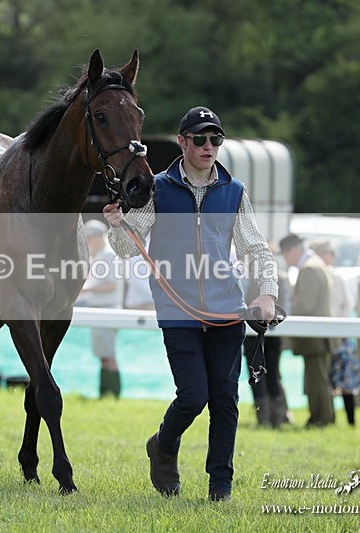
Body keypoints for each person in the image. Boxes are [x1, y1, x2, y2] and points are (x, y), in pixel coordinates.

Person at [103, 106, 278, 502]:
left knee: (225, 401)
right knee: (194, 395)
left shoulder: (235, 191)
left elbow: (255, 247)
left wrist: (267, 292)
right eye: (199, 138)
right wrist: (117, 227)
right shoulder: (158, 188)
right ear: (182, 142)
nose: (208, 146)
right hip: (177, 311)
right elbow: (129, 248)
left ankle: (221, 487)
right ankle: (163, 445)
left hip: (226, 312)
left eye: (215, 138)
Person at [279, 233, 335, 428]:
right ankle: (322, 416)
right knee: (317, 378)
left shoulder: (309, 268)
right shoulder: (315, 263)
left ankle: (321, 419)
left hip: (315, 335)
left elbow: (305, 305)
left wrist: (286, 307)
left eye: (286, 255)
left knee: (316, 380)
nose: (287, 260)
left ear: (292, 251)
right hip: (319, 333)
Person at [310, 240, 360, 426]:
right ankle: (333, 418)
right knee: (331, 379)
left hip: (340, 335)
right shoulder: (325, 275)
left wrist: (341, 331)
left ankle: (350, 421)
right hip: (333, 334)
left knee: (343, 382)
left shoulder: (335, 277)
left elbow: (344, 306)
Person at [76, 218, 125, 398]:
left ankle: (110, 394)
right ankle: (106, 393)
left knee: (107, 354)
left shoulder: (108, 255)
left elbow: (110, 285)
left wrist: (85, 289)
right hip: (100, 309)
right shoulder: (101, 256)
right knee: (104, 354)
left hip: (106, 309)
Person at [243, 266, 293, 428]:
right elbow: (287, 306)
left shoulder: (248, 276)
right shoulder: (282, 277)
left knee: (257, 373)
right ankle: (276, 417)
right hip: (273, 330)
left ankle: (264, 418)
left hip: (253, 332)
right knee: (272, 373)